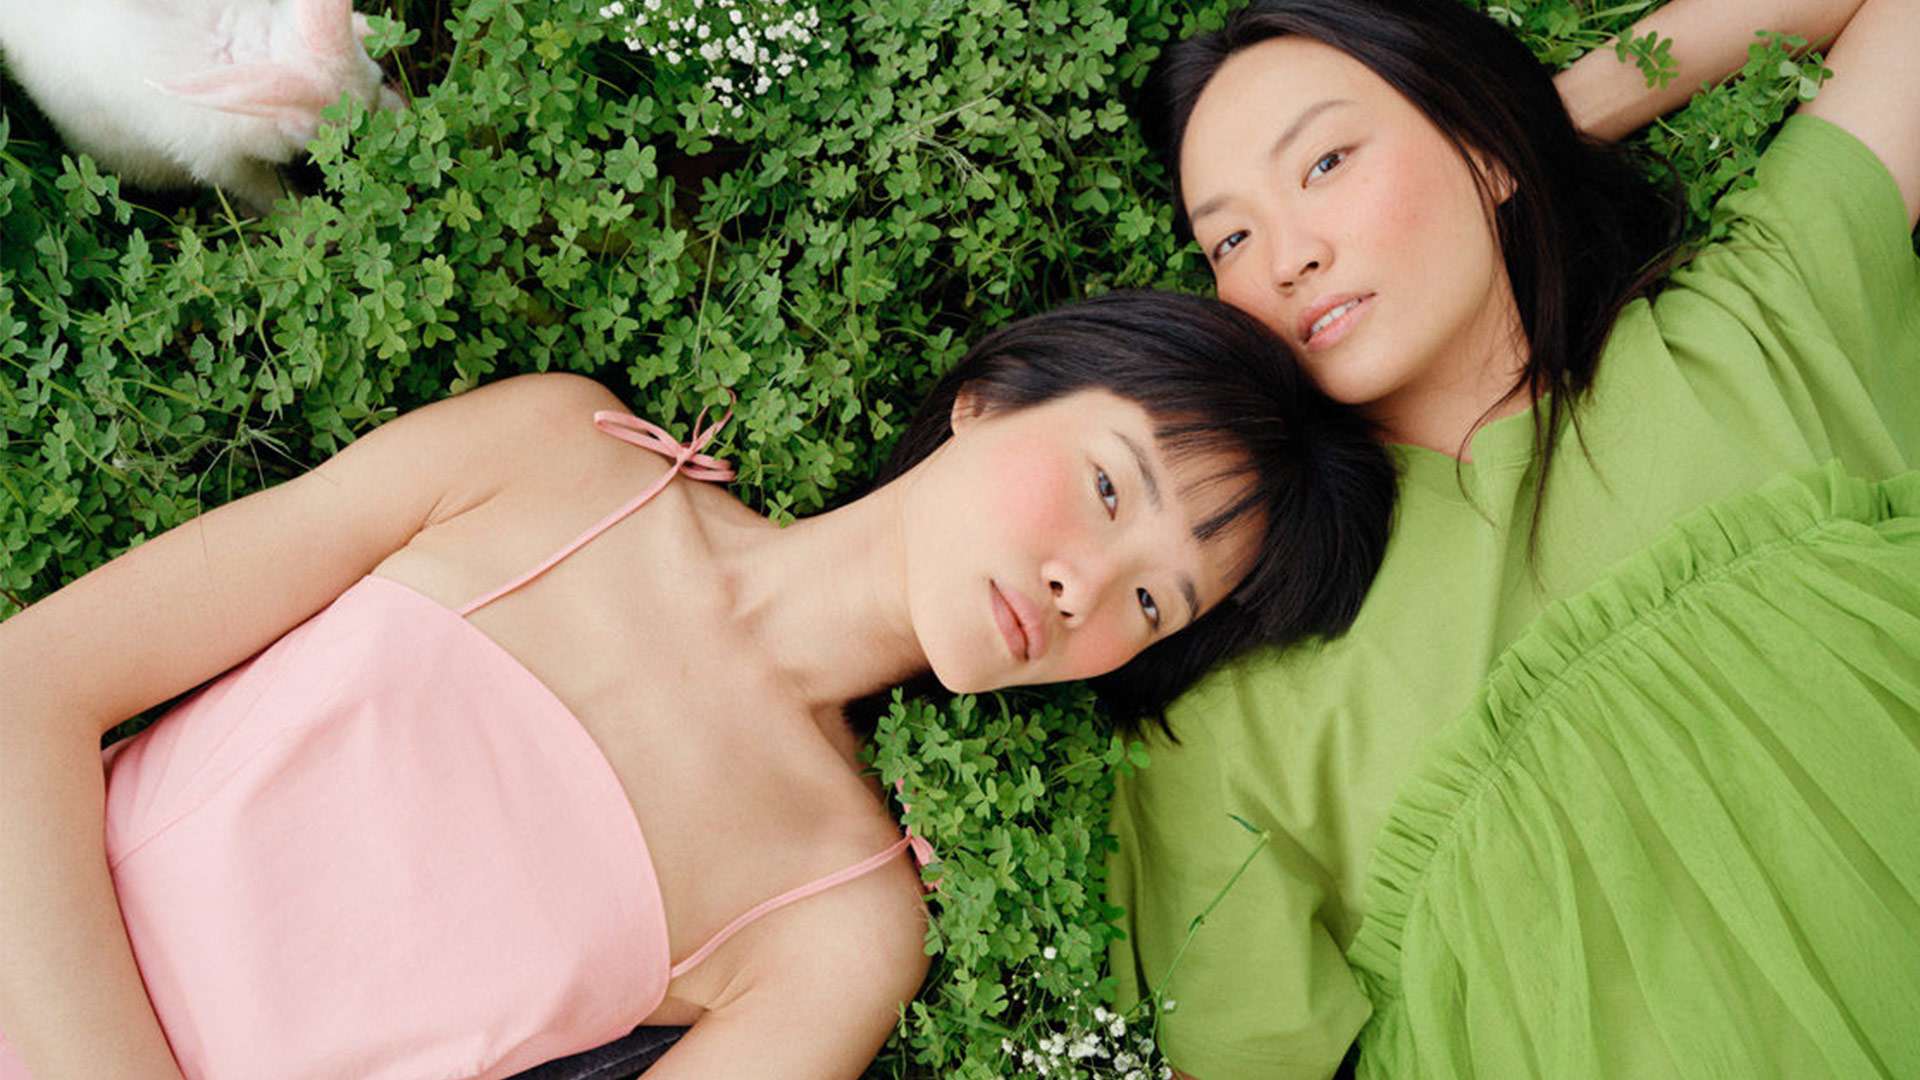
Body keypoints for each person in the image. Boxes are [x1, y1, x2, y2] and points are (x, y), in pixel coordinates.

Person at [0, 289, 1396, 1079]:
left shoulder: (843, 928)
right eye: (1107, 489)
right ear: (995, 392)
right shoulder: (559, 454)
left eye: (1153, 602)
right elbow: (29, 688)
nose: (1084, 585)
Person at [1108, 0, 1920, 1076]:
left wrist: (1535, 121)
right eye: (1231, 240)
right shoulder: (1236, 714)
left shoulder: (1757, 326)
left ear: (1480, 144)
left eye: (1325, 163)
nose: (1287, 259)